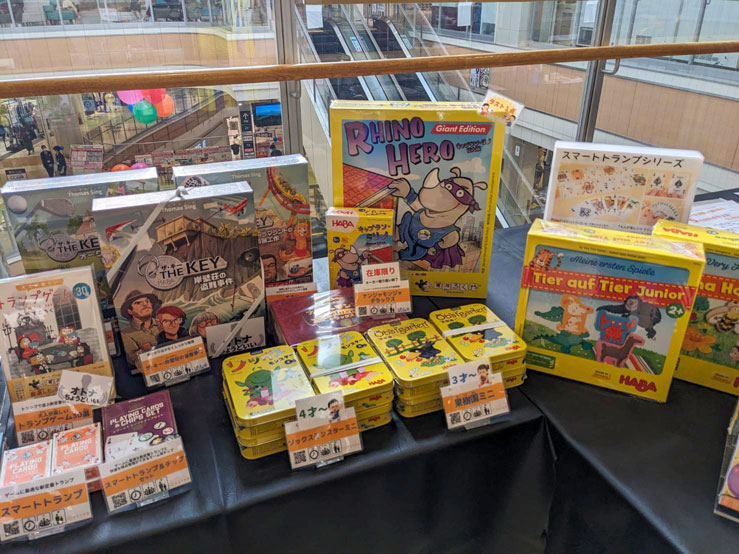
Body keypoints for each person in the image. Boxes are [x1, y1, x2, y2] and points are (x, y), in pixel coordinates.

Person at [120, 290, 162, 366]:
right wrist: (142, 351)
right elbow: (132, 359)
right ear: (130, 311)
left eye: (147, 301)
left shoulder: (164, 324)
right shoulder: (125, 333)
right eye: (138, 303)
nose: (145, 304)